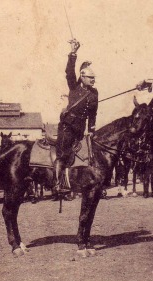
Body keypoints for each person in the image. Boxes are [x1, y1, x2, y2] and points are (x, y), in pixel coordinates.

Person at [54, 39, 98, 194]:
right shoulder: (73, 86)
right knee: (64, 153)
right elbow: (69, 71)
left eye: (94, 78)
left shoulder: (94, 93)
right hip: (67, 127)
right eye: (90, 78)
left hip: (80, 129)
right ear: (83, 77)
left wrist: (91, 129)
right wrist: (73, 53)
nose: (93, 80)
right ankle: (58, 183)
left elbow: (93, 113)